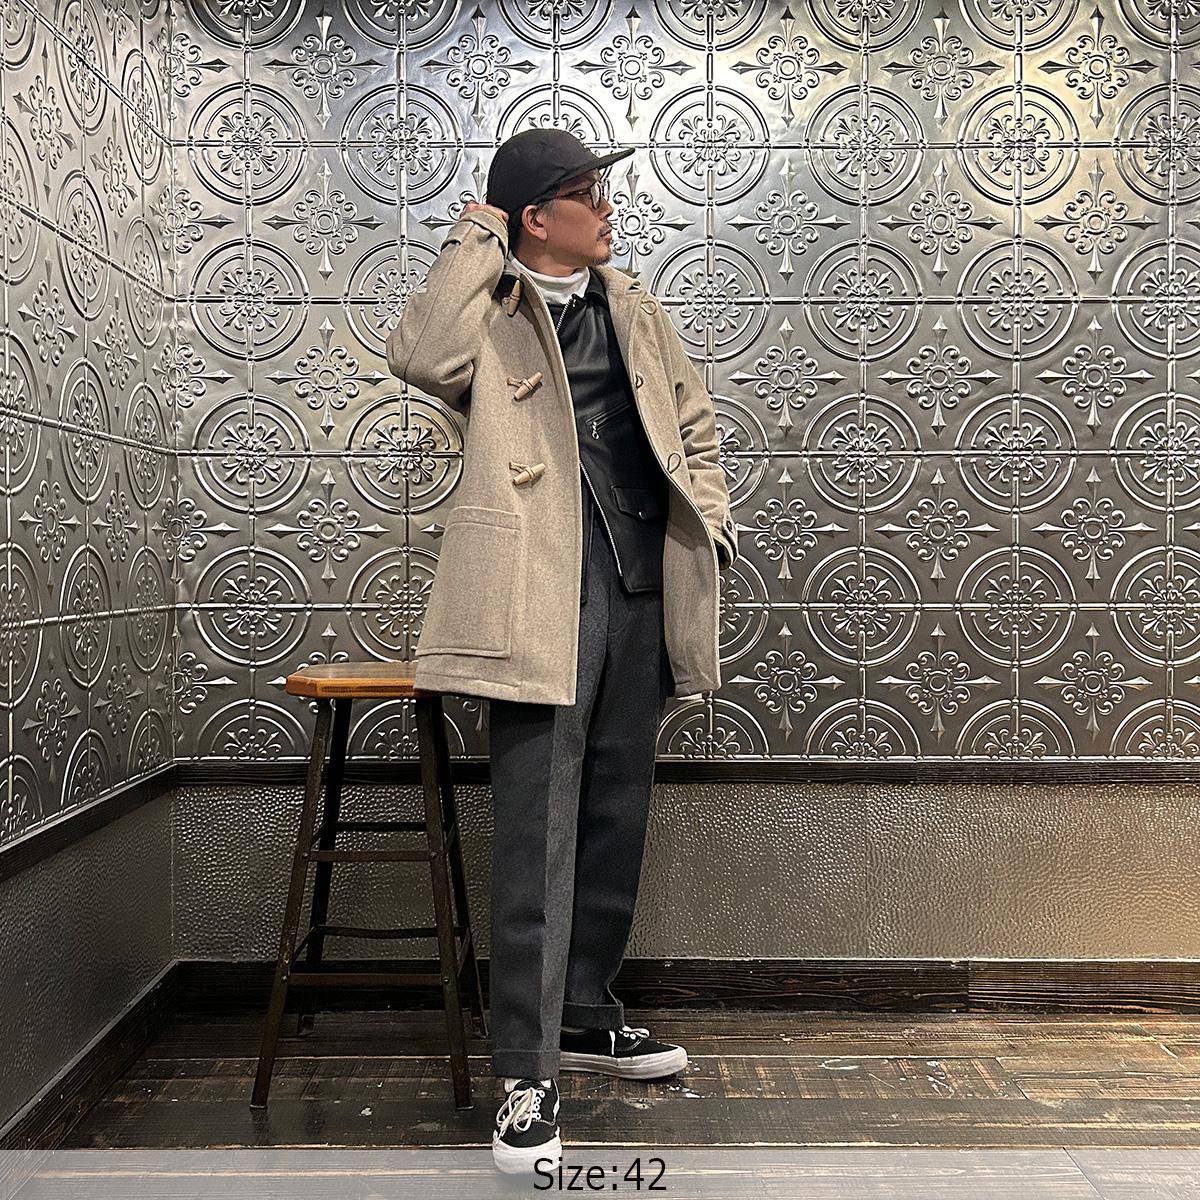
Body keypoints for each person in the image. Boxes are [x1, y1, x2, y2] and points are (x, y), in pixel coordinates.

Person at [385, 128, 737, 1174]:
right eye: (589, 194)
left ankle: (584, 1013)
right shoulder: (489, 313)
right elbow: (418, 356)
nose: (610, 210)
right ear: (538, 217)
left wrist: (710, 524)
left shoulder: (634, 307)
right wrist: (477, 230)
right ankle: (525, 1074)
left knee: (616, 811)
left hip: (641, 582)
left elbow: (696, 424)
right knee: (536, 829)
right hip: (539, 585)